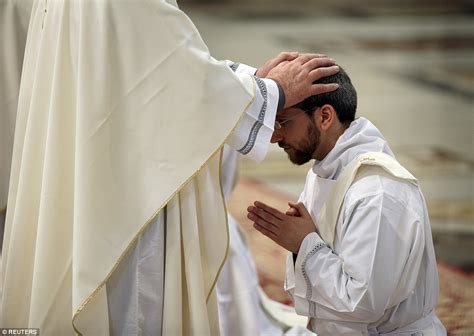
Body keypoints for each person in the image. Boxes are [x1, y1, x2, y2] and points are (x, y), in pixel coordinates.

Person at [0, 0, 339, 334]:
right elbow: (176, 84)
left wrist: (249, 85)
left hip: (89, 170)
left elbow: (146, 69)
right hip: (126, 201)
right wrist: (272, 91)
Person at [247, 66, 447, 335]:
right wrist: (301, 244)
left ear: (325, 116)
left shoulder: (377, 192)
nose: (274, 137)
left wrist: (305, 245)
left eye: (282, 122)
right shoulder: (327, 168)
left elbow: (363, 303)